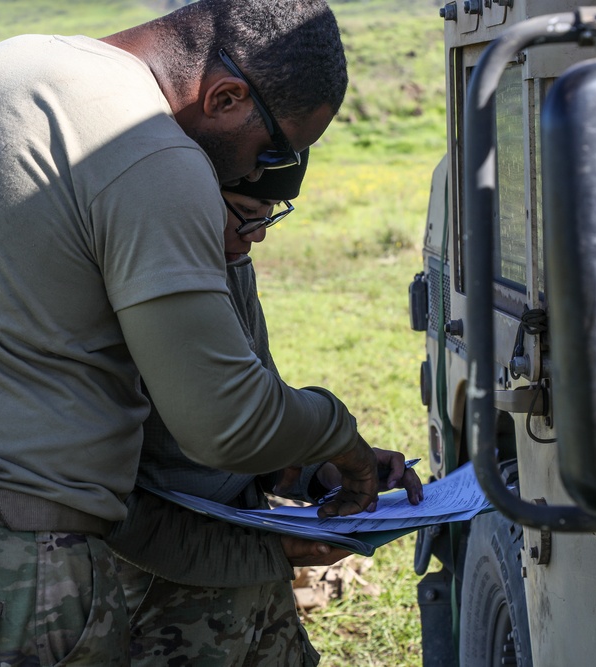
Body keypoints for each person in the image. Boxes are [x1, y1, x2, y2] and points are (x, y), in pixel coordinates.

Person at [0, 1, 410, 665]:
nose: (258, 174)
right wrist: (339, 436)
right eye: (273, 150)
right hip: (4, 577)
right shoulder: (150, 148)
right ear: (227, 96)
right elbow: (221, 420)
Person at [108, 151, 423, 666]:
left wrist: (320, 473)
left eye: (269, 216)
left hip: (250, 568)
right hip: (163, 575)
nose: (257, 234)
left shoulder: (230, 262)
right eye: (244, 213)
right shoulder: (142, 269)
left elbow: (254, 410)